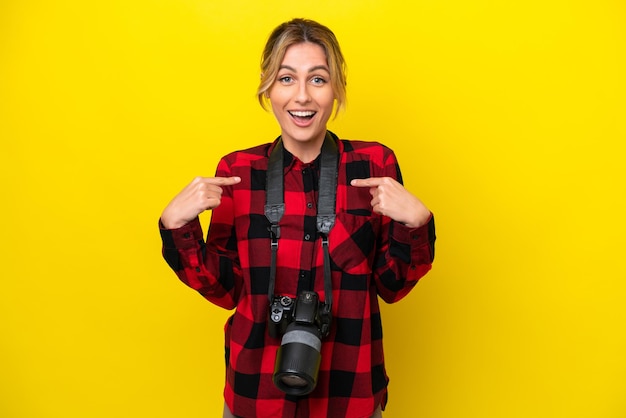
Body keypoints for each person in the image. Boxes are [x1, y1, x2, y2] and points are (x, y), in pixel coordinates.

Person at [159, 18, 436, 418]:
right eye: (286, 79)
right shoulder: (238, 171)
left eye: (318, 79)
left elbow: (391, 287)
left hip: (350, 394)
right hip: (255, 396)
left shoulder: (374, 165)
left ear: (337, 88)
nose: (302, 97)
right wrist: (178, 229)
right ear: (267, 89)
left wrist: (417, 224)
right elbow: (226, 292)